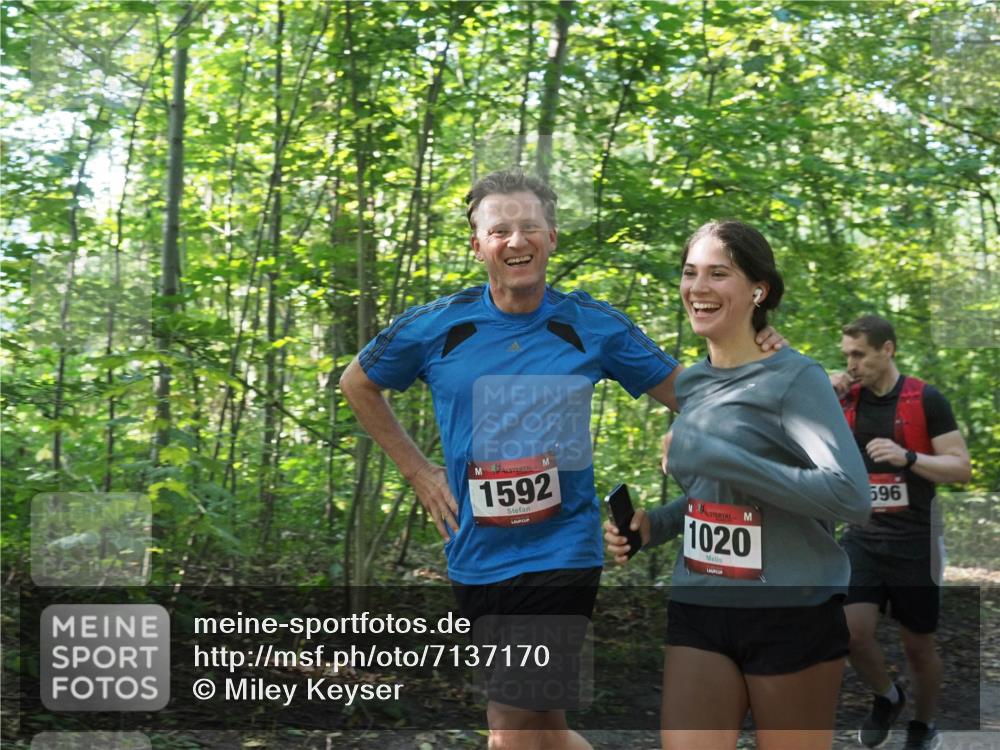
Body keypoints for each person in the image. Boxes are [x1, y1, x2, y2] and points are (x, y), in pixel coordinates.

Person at [339, 171, 784, 750]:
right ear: (477, 245)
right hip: (475, 550)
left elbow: (694, 395)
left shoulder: (593, 325)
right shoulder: (435, 326)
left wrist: (757, 352)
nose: (515, 241)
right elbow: (357, 382)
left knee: (508, 726)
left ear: (552, 237)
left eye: (529, 227)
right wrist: (418, 471)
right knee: (544, 725)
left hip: (562, 549)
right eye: (499, 230)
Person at [605, 219, 871, 750]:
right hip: (700, 604)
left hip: (791, 611)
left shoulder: (796, 378)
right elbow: (719, 494)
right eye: (689, 273)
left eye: (717, 274)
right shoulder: (694, 384)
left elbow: (851, 496)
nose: (698, 288)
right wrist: (651, 527)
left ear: (758, 289)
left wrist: (714, 452)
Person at [838, 315, 971, 750]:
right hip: (862, 536)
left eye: (859, 355)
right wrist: (829, 380)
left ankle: (923, 723)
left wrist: (908, 457)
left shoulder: (925, 399)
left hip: (917, 541)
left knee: (918, 647)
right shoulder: (844, 398)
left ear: (887, 350)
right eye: (846, 356)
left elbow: (960, 467)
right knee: (849, 632)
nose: (852, 364)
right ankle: (887, 697)